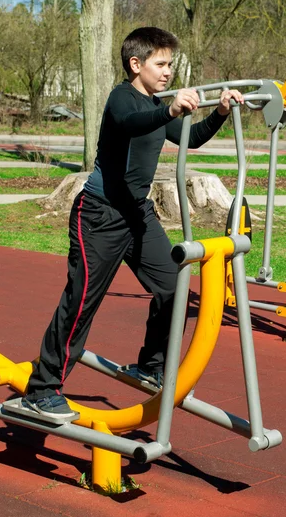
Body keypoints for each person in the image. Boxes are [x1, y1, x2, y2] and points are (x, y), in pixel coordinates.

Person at [21, 26, 244, 419]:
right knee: (81, 302)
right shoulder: (121, 99)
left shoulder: (157, 104)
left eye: (171, 64)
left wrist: (221, 111)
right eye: (160, 63)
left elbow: (192, 139)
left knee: (175, 288)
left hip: (137, 214)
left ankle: (151, 365)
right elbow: (130, 124)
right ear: (135, 64)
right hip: (100, 215)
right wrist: (170, 109)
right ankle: (41, 390)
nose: (167, 71)